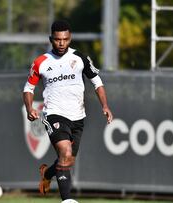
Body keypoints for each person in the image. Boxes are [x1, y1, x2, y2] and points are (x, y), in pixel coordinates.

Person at [22, 20, 113, 201]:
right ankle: (67, 200)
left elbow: (97, 82)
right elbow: (28, 89)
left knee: (68, 160)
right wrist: (29, 108)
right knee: (65, 153)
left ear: (70, 38)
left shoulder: (80, 58)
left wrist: (105, 106)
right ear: (51, 39)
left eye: (65, 39)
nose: (61, 43)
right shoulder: (41, 62)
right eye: (57, 40)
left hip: (78, 116)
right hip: (53, 113)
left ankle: (47, 173)